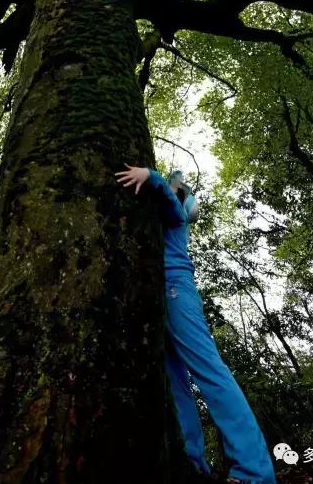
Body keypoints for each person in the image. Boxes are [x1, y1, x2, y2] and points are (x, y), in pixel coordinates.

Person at [114, 163, 277, 484]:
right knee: (175, 383)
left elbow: (176, 208)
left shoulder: (175, 214)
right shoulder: (162, 216)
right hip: (160, 293)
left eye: (178, 189)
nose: (173, 189)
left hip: (175, 288)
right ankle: (192, 461)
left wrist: (155, 177)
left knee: (209, 370)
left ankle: (255, 472)